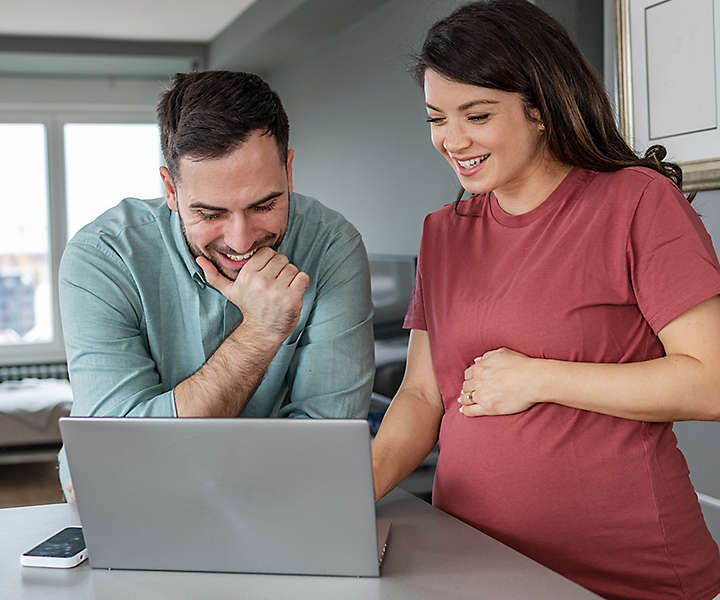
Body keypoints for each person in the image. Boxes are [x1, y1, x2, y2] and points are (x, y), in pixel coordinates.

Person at [370, 1, 720, 598]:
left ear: (540, 108)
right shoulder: (443, 231)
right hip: (471, 561)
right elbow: (424, 393)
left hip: (627, 574)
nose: (452, 140)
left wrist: (539, 378)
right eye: (436, 118)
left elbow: (710, 382)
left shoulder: (636, 204)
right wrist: (349, 497)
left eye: (475, 115)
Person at [58, 70, 374, 499]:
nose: (241, 240)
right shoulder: (104, 256)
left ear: (289, 171)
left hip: (278, 512)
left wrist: (148, 466)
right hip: (141, 521)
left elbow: (324, 451)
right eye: (210, 214)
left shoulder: (333, 246)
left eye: (264, 204)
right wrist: (261, 332)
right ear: (170, 189)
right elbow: (114, 446)